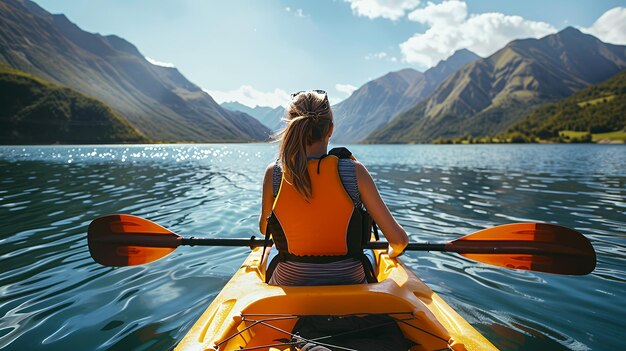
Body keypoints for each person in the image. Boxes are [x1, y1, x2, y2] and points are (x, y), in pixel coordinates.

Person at [259, 90, 408, 286]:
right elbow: (399, 240)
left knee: (268, 251)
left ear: (291, 128)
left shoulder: (274, 173)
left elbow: (264, 229)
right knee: (372, 253)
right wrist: (390, 253)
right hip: (349, 281)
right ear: (330, 130)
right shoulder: (355, 172)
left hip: (290, 280)